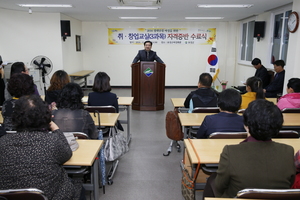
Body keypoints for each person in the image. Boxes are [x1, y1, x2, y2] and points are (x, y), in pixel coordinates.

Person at [203, 99, 295, 199]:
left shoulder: (231, 152)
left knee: (212, 179)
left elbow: (220, 186)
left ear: (246, 126)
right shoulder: (288, 151)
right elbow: (290, 182)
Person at [0, 95, 85, 200]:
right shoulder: (51, 141)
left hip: (9, 197)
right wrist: (55, 128)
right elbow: (67, 153)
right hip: (52, 196)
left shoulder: (2, 142)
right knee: (79, 186)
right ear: (45, 116)